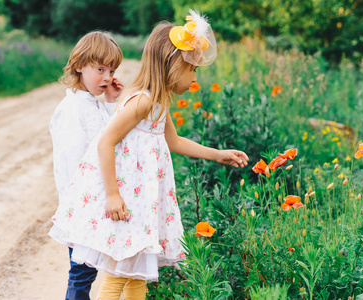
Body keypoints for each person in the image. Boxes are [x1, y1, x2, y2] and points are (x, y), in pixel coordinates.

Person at [50, 10, 249, 300]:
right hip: (125, 202)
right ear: (172, 65)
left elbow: (175, 141)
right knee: (118, 275)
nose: (194, 78)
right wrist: (113, 195)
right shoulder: (142, 101)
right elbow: (105, 142)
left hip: (142, 203)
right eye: (191, 69)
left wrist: (217, 154)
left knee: (135, 276)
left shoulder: (157, 103)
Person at [49, 31, 123, 300]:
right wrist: (81, 206)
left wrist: (113, 103)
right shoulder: (72, 109)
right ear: (79, 65)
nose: (107, 77)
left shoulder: (94, 104)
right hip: (81, 206)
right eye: (100, 68)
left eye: (112, 69)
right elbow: (73, 163)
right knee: (81, 274)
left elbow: (112, 137)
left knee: (89, 272)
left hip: (92, 205)